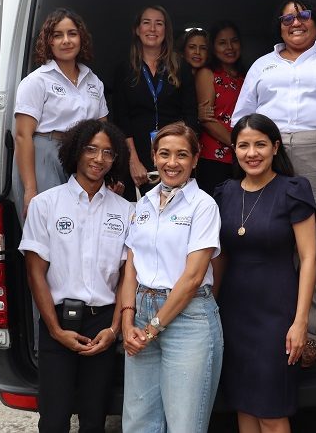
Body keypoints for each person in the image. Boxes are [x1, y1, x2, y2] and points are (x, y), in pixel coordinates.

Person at [232, 0, 316, 365]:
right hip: (270, 154)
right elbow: (244, 115)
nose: (295, 22)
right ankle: (279, 324)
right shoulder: (262, 65)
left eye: (303, 15)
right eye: (287, 18)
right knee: (272, 239)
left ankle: (313, 332)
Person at [19, 119, 133, 433]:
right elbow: (35, 272)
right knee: (53, 420)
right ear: (75, 152)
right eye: (91, 149)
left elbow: (126, 275)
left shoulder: (125, 211)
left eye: (108, 152)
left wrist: (114, 330)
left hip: (103, 326)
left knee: (95, 419)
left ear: (116, 159)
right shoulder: (46, 204)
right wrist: (55, 330)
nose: (99, 159)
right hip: (58, 321)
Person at [213, 113, 316, 433]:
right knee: (244, 406)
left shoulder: (293, 189)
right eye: (243, 145)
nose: (252, 153)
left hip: (277, 312)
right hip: (233, 311)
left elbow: (310, 257)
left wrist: (301, 322)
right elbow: (220, 258)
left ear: (275, 148)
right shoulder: (224, 193)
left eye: (260, 144)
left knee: (271, 411)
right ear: (234, 150)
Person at [119, 122, 223, 433]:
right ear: (153, 157)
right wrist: (128, 321)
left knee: (184, 426)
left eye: (181, 155)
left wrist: (151, 330)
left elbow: (192, 278)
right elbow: (131, 267)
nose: (172, 163)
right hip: (142, 313)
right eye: (164, 154)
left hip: (188, 319)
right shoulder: (144, 204)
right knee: (138, 423)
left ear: (195, 159)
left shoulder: (203, 206)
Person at [12, 8, 109, 222]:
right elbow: (22, 136)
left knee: (80, 223)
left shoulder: (93, 81)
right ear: (49, 42)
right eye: (58, 35)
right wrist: (30, 189)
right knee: (48, 223)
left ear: (81, 38)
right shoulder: (37, 80)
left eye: (72, 33)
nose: (66, 40)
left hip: (83, 155)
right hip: (45, 154)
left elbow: (104, 131)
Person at [110, 5, 199, 200]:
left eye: (159, 24)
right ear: (137, 29)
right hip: (137, 153)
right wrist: (133, 160)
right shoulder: (124, 69)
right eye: (146, 23)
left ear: (166, 31)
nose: (152, 29)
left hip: (174, 151)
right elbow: (121, 119)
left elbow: (191, 114)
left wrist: (183, 155)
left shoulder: (181, 66)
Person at [195, 20, 245, 194]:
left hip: (243, 157)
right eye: (222, 43)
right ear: (213, 48)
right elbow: (206, 120)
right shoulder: (207, 73)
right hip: (214, 158)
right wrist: (239, 143)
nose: (229, 47)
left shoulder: (246, 76)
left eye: (234, 41)